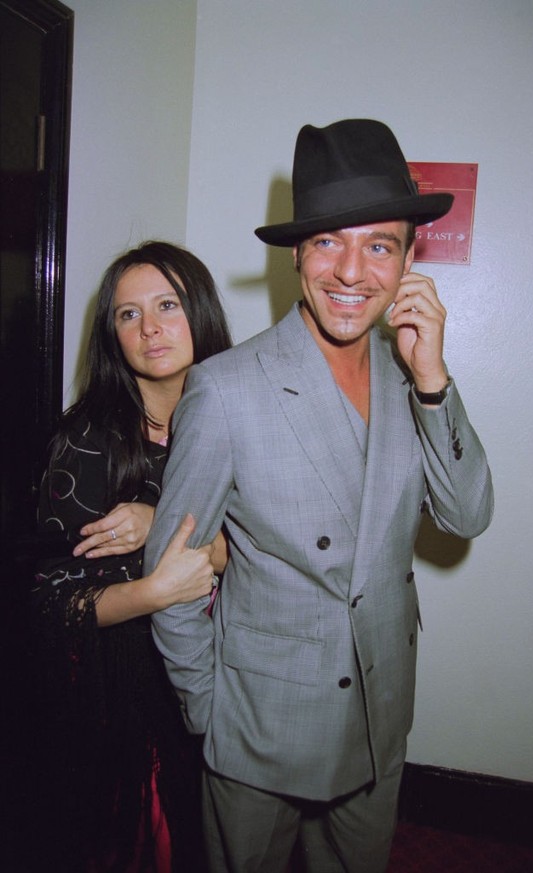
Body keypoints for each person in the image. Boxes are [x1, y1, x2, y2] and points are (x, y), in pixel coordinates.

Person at [144, 120, 494, 873]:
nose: (351, 270)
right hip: (257, 736)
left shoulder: (411, 377)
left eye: (380, 245)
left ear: (409, 258)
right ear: (298, 252)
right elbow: (169, 573)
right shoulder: (225, 388)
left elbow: (466, 515)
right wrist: (210, 714)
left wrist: (434, 381)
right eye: (330, 241)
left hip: (377, 718)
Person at [32, 241, 232, 873]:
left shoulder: (248, 418)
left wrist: (158, 526)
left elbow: (281, 549)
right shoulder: (87, 440)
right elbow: (50, 604)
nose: (149, 328)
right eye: (127, 314)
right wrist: (154, 591)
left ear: (198, 310)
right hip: (129, 688)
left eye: (167, 305)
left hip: (240, 662)